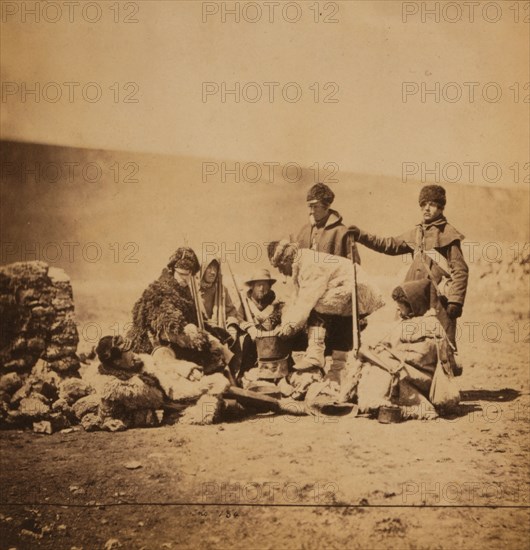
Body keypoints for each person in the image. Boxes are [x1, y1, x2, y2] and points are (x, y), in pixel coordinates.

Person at [349, 184, 468, 359]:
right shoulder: (417, 233)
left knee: (441, 345)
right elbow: (388, 245)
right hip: (414, 297)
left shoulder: (448, 233)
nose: (427, 208)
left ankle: (443, 385)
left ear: (441, 207)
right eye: (424, 204)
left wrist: (455, 301)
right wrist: (361, 236)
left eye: (432, 204)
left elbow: (460, 270)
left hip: (437, 301)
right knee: (409, 342)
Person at [267, 240, 384, 397]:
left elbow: (306, 301)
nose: (281, 272)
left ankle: (315, 354)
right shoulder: (301, 263)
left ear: (286, 259)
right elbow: (296, 299)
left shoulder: (309, 265)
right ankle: (337, 373)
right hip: (349, 289)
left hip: (359, 290)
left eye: (280, 267)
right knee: (340, 324)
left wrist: (290, 326)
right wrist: (286, 323)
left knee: (317, 305)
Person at [355, 279, 460, 419]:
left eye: (400, 306)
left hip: (420, 377)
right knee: (378, 363)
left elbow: (417, 357)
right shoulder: (422, 322)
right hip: (416, 373)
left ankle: (382, 405)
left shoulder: (423, 325)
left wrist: (383, 354)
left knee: (379, 368)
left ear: (413, 305)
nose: (397, 309)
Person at [127, 247, 229, 374]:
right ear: (172, 270)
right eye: (181, 274)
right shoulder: (159, 290)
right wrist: (193, 332)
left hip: (178, 341)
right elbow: (168, 322)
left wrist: (211, 335)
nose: (184, 279)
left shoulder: (186, 291)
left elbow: (194, 319)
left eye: (188, 275)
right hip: (154, 344)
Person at [236, 269, 289, 393]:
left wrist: (280, 326)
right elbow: (238, 318)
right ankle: (247, 376)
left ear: (270, 287)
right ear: (252, 286)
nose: (261, 288)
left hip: (272, 347)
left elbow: (285, 317)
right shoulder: (245, 303)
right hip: (252, 345)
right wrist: (249, 327)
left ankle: (280, 378)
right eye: (258, 285)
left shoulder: (276, 303)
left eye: (265, 285)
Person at [296, 182, 361, 263]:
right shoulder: (304, 231)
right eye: (310, 206)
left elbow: (354, 267)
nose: (311, 211)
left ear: (326, 207)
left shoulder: (343, 233)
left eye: (315, 206)